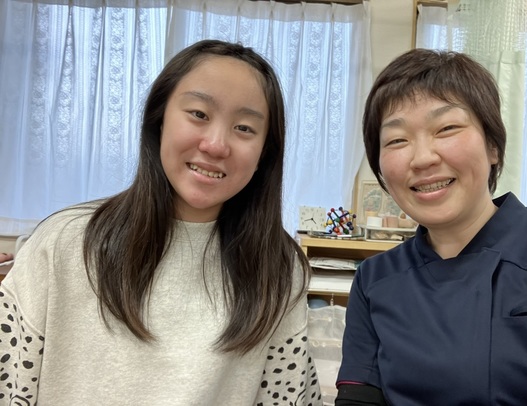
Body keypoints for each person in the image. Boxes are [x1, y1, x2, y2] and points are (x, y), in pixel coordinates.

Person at [0, 39, 322, 406]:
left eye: (244, 128)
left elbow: (286, 396)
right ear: (159, 119)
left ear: (266, 151)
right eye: (199, 114)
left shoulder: (278, 267)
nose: (216, 145)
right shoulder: (64, 242)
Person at [336, 48, 527, 405]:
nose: (423, 158)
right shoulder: (374, 279)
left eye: (446, 128)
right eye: (397, 140)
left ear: (493, 146)